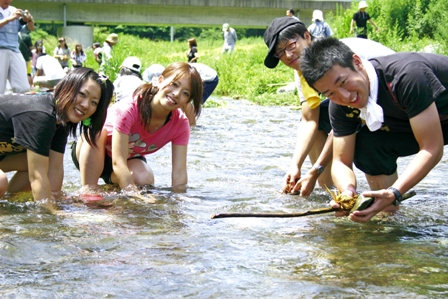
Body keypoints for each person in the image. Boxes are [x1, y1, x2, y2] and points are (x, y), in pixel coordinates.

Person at [300, 37, 448, 223]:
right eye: (330, 93)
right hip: (421, 119)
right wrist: (347, 192)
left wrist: (396, 191)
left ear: (357, 62)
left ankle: (390, 197)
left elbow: (431, 148)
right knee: (367, 145)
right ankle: (388, 215)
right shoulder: (339, 106)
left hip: (438, 113)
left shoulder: (406, 76)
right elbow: (341, 161)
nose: (344, 97)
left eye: (343, 82)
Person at [263, 17, 394, 196]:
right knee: (317, 122)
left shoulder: (335, 58)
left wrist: (316, 169)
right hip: (357, 103)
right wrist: (295, 165)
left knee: (367, 145)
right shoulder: (303, 71)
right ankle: (329, 192)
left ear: (307, 36)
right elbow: (310, 120)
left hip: (394, 97)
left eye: (290, 45)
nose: (287, 55)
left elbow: (343, 118)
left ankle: (385, 205)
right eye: (279, 53)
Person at [72, 62, 203, 195]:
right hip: (90, 150)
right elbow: (118, 162)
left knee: (144, 178)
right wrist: (135, 197)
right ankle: (88, 191)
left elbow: (179, 173)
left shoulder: (180, 124)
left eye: (185, 93)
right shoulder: (130, 108)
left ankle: (112, 191)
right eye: (174, 84)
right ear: (160, 81)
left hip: (126, 159)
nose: (176, 94)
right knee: (98, 132)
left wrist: (180, 203)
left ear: (187, 101)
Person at [0, 68, 113, 211]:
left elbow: (55, 167)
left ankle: (8, 203)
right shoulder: (42, 115)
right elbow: (37, 176)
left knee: (42, 162)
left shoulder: (60, 121)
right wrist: (52, 214)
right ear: (68, 88)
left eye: (94, 102)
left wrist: (56, 201)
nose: (85, 105)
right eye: (82, 94)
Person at [0, 0, 34, 94]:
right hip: (0, 49)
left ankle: (21, 107)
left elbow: (30, 28)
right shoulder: (13, 15)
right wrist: (9, 19)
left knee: (23, 87)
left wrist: (29, 19)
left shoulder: (14, 10)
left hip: (15, 50)